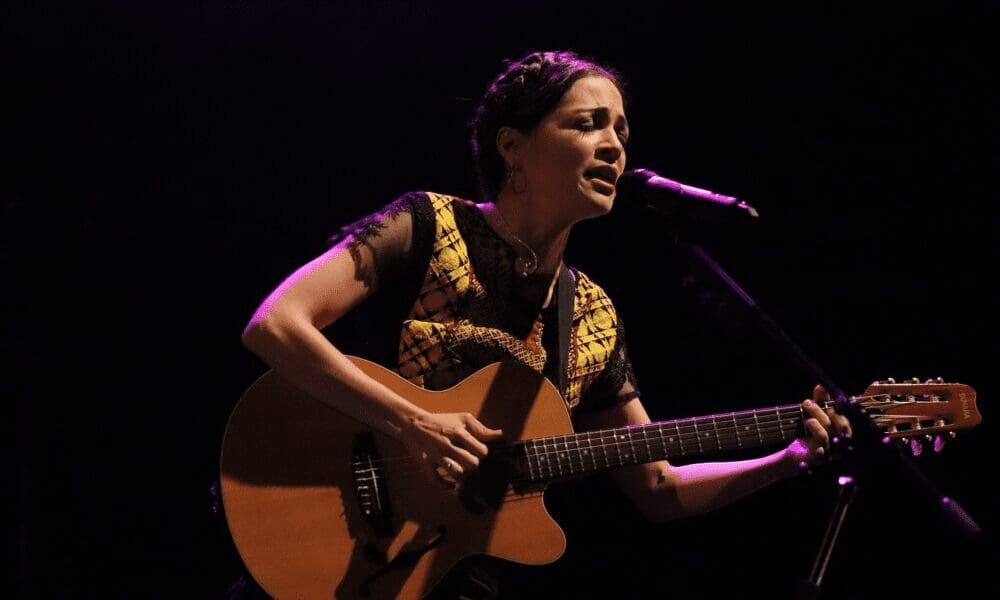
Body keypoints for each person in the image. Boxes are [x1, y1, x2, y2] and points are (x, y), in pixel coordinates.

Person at [238, 49, 851, 599]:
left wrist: (788, 458)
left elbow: (659, 487)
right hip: (326, 524)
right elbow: (275, 323)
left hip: (454, 576)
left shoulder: (590, 314)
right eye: (588, 124)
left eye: (622, 131)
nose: (614, 145)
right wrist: (414, 421)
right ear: (512, 146)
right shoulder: (428, 225)